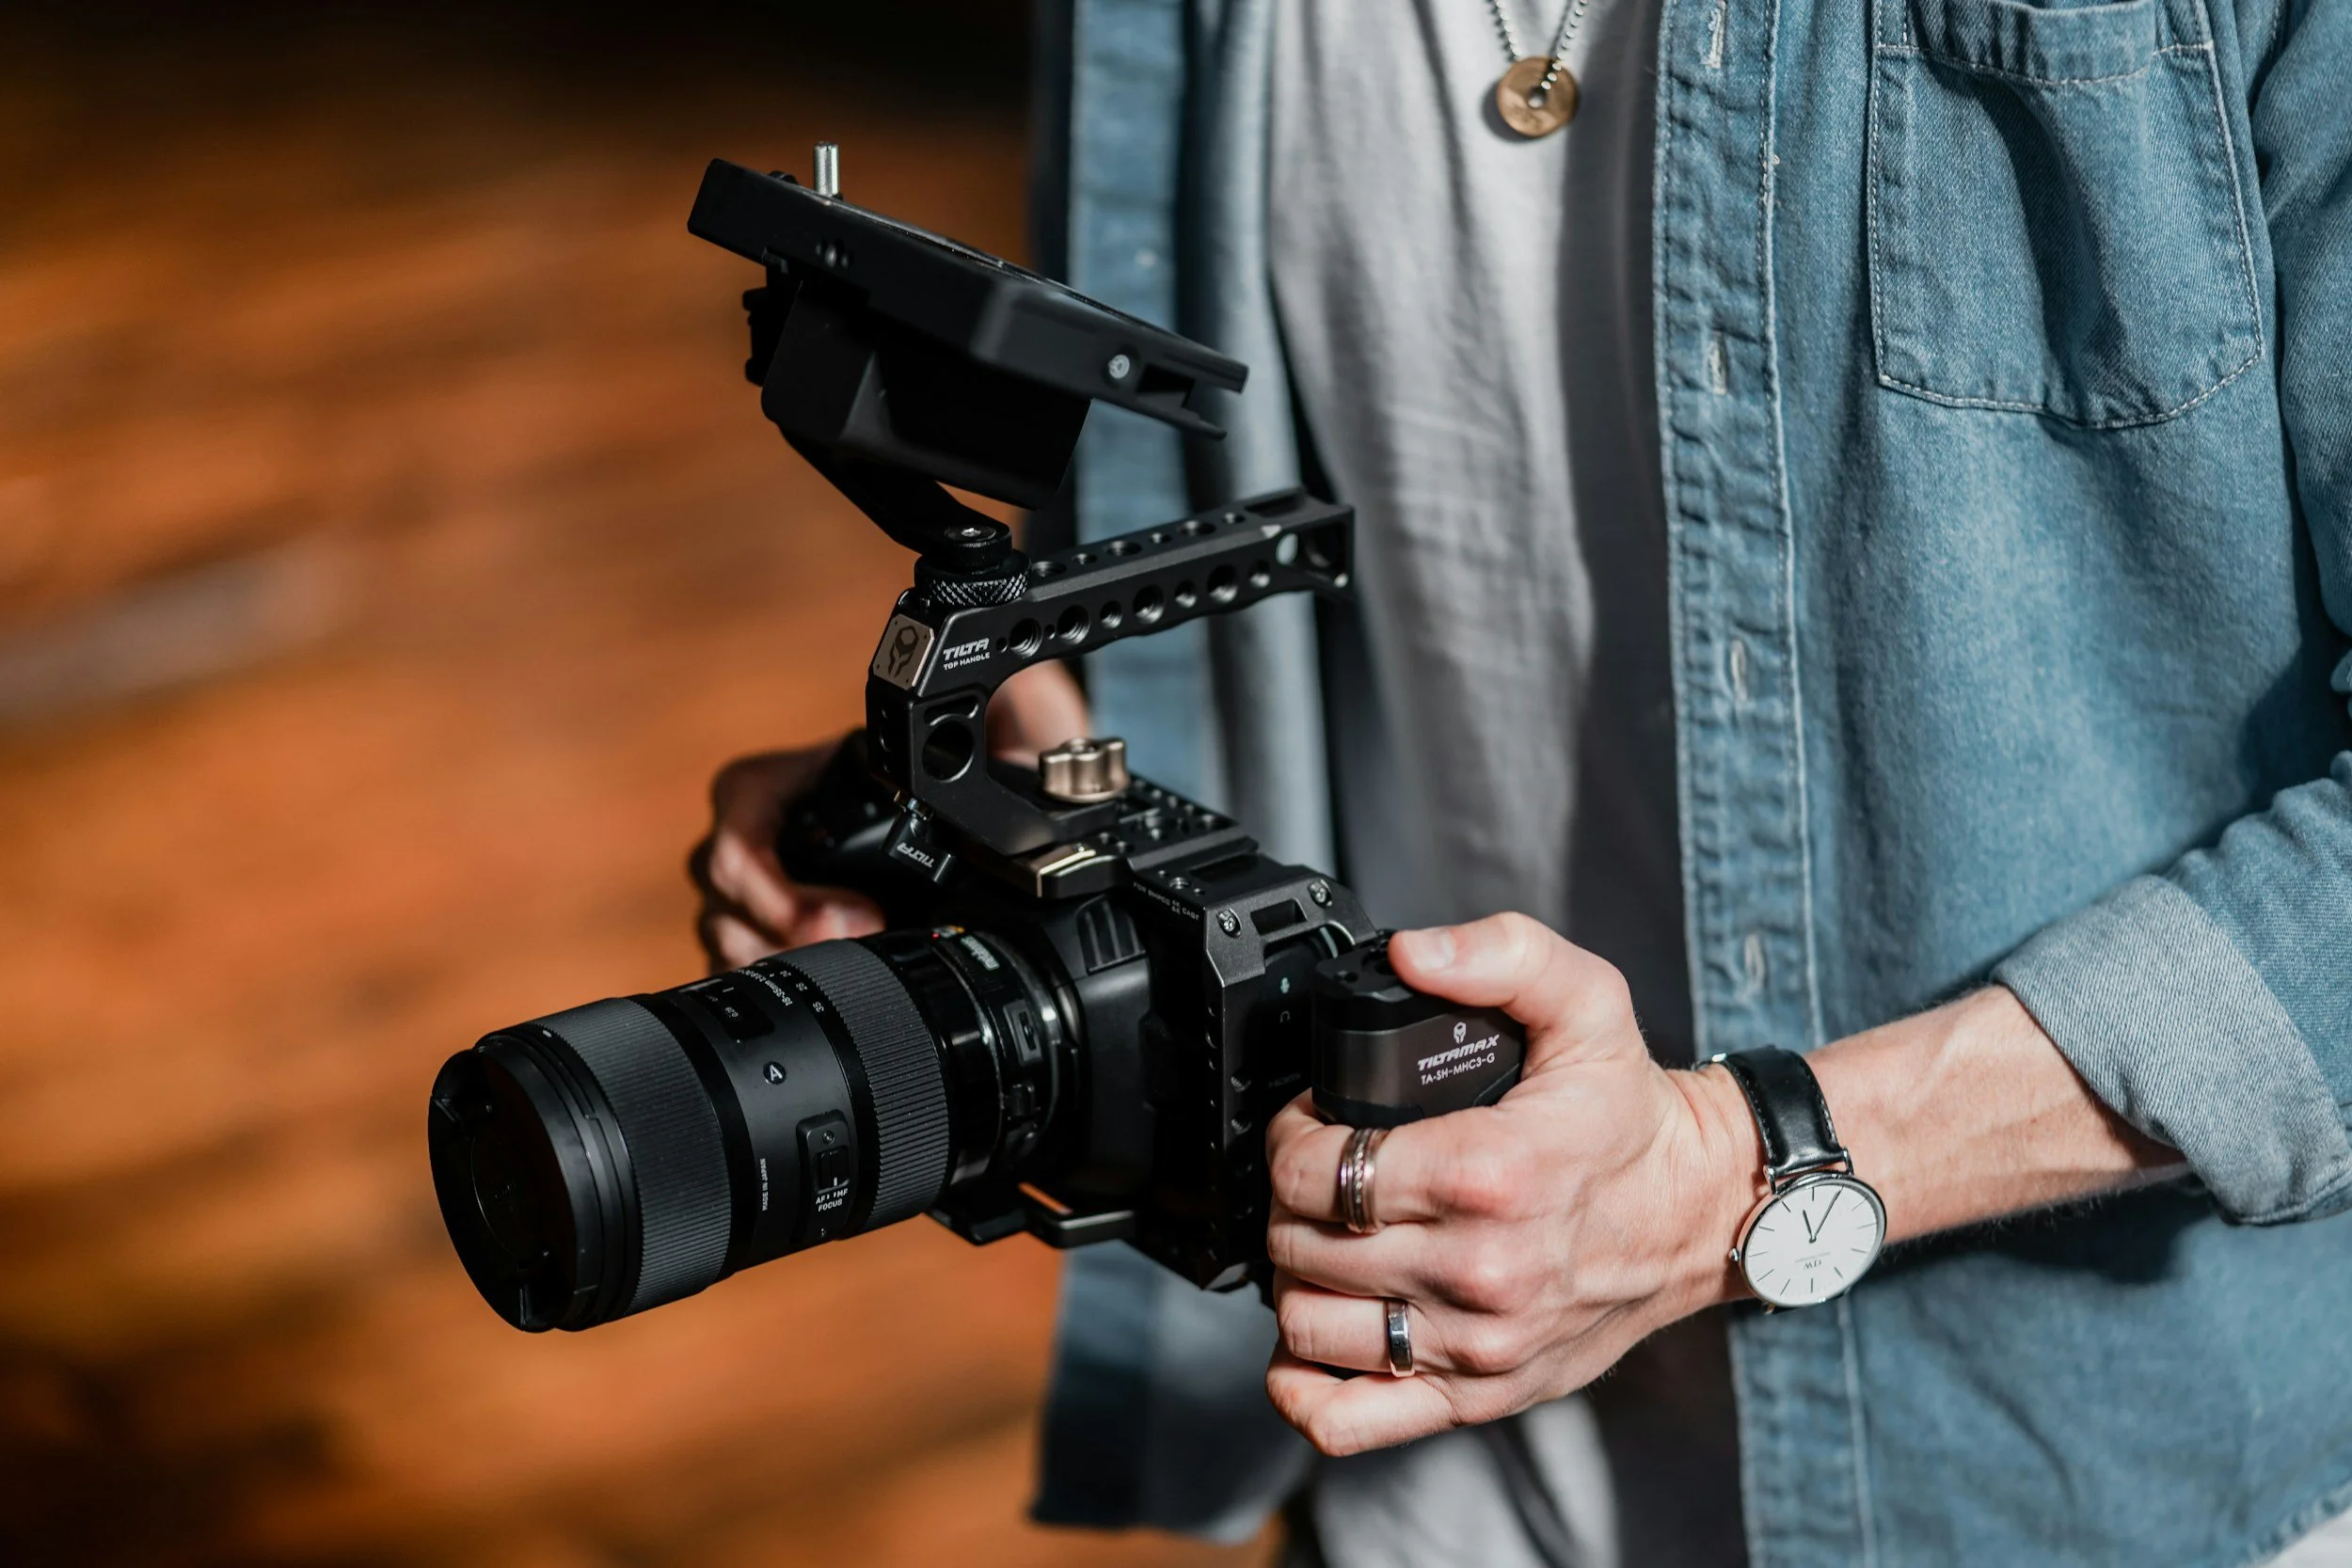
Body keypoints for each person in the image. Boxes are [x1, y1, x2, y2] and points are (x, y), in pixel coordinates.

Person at [695, 0, 2352, 1563]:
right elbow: (1233, 562)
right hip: (1419, 1473)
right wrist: (982, 808)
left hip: (2127, 1492)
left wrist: (1731, 1171)